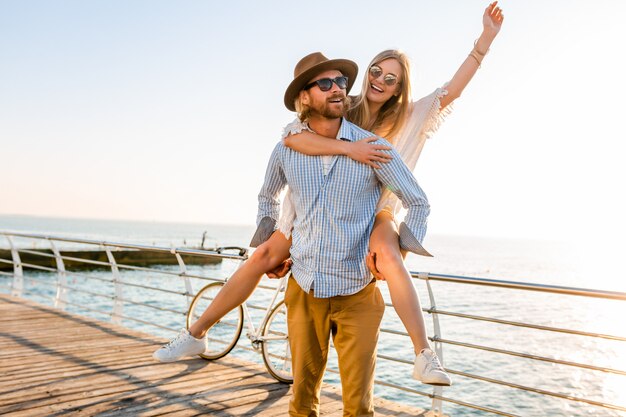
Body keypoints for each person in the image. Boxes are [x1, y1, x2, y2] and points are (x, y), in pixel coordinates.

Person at [153, 1, 504, 389]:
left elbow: (452, 90)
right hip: (319, 206)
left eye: (392, 79)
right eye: (376, 71)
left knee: (388, 254)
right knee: (265, 255)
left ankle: (423, 355)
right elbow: (293, 139)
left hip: (377, 208)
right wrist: (349, 149)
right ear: (366, 71)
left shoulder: (410, 116)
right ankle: (197, 332)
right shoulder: (342, 106)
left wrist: (484, 41)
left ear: (400, 88)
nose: (381, 82)